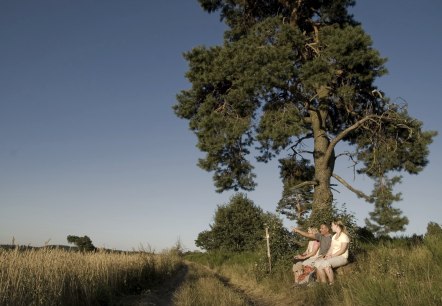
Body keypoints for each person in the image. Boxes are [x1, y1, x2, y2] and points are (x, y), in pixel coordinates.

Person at [314, 220, 350, 285]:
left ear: (337, 226)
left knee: (326, 263)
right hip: (334, 256)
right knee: (318, 263)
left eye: (332, 225)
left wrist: (332, 256)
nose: (331, 227)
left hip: (342, 257)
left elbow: (342, 250)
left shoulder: (344, 236)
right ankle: (323, 283)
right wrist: (327, 255)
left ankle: (332, 283)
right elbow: (331, 248)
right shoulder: (334, 236)